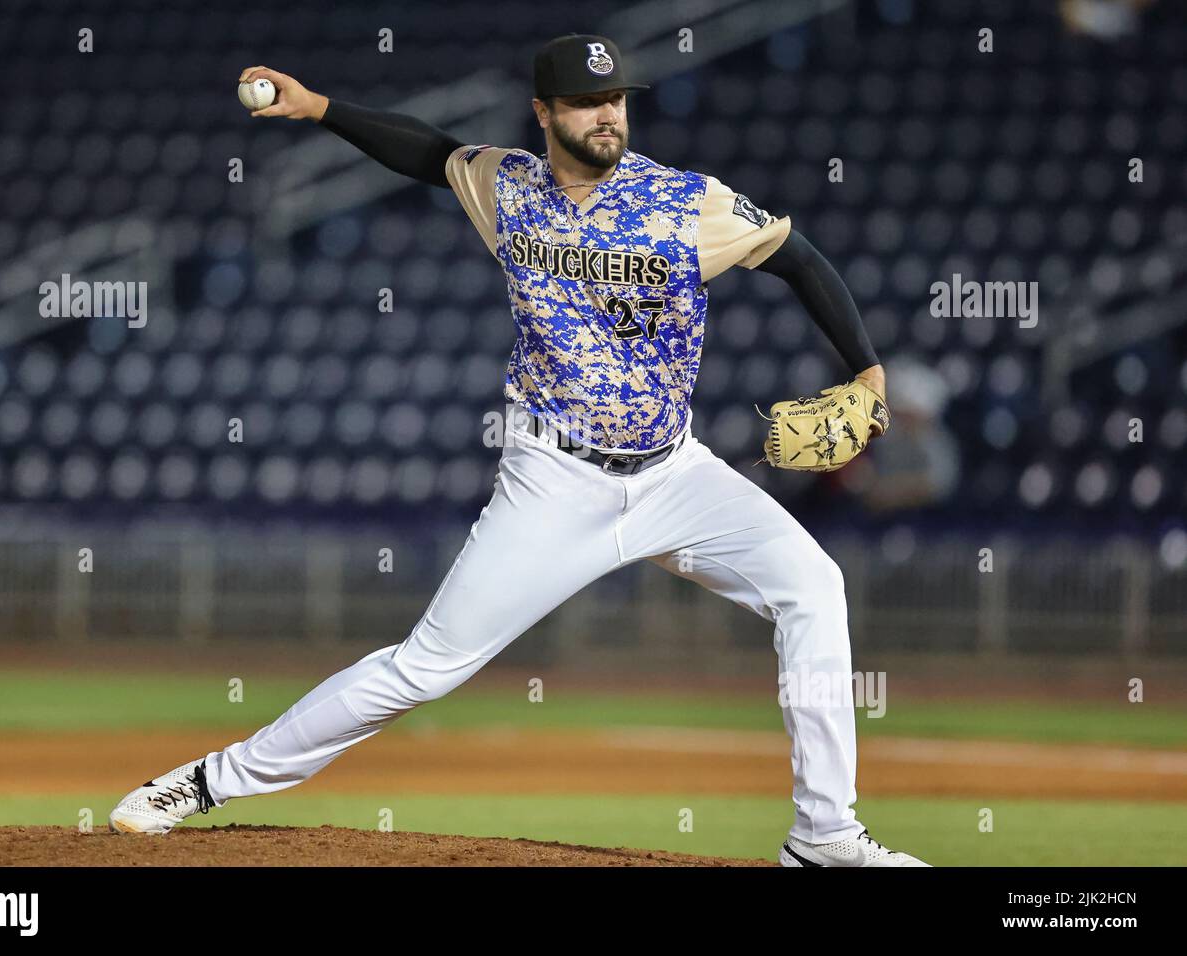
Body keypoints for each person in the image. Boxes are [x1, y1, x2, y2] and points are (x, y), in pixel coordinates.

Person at [109, 34, 929, 867]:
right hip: (554, 479)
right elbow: (427, 153)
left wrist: (866, 370)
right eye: (583, 102)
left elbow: (800, 260)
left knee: (814, 587)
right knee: (422, 669)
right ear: (544, 112)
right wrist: (319, 108)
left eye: (615, 100)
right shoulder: (504, 184)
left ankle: (825, 838)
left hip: (675, 474)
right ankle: (206, 782)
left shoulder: (687, 202)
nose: (607, 115)